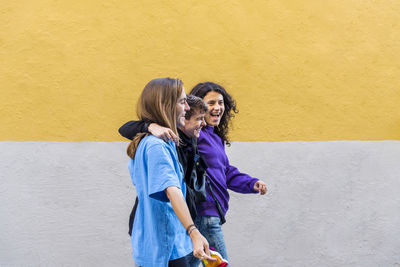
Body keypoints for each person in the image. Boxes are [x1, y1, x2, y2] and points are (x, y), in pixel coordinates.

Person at [126, 78, 213, 267]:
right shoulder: (157, 146)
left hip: (159, 244)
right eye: (182, 102)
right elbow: (172, 190)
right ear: (165, 105)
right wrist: (194, 231)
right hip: (166, 247)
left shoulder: (153, 142)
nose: (187, 108)